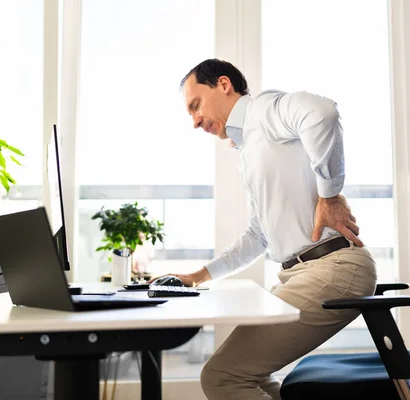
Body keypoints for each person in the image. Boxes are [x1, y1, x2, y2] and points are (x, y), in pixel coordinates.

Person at [156, 58, 377, 400]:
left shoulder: (263, 111)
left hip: (333, 270)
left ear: (224, 85)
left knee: (221, 376)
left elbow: (322, 113)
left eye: (195, 106)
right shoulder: (248, 148)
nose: (195, 121)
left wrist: (329, 195)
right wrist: (198, 276)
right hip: (304, 273)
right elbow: (259, 235)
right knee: (250, 377)